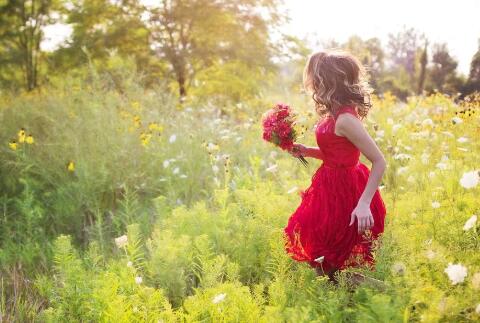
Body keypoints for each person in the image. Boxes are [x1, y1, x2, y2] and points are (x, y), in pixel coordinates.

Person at [284, 49, 388, 289]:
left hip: (348, 194)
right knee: (323, 262)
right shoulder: (333, 114)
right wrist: (306, 150)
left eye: (315, 77)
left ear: (326, 81)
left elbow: (379, 161)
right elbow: (337, 154)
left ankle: (387, 293)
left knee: (330, 265)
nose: (311, 83)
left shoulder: (345, 119)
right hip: (328, 189)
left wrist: (363, 204)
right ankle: (347, 302)